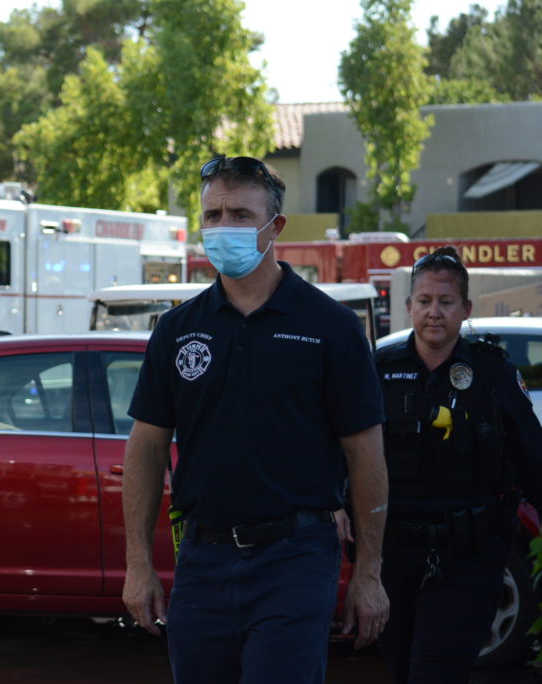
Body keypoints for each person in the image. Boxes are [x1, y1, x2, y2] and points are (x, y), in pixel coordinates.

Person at [122, 154, 390, 683]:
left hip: (295, 558)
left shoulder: (330, 327)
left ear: (276, 226)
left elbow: (366, 454)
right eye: (213, 215)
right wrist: (137, 564)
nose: (224, 227)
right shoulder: (177, 328)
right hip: (202, 558)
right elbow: (147, 446)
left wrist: (368, 573)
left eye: (241, 215)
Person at [375, 246, 542, 683]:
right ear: (409, 306)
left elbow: (533, 459)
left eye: (446, 302)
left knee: (435, 672)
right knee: (401, 669)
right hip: (394, 558)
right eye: (425, 301)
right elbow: (345, 452)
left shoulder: (493, 374)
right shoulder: (379, 371)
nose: (434, 313)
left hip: (469, 558)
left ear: (465, 309)